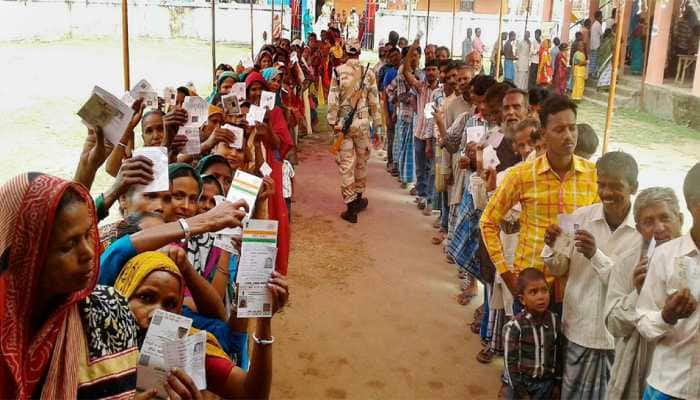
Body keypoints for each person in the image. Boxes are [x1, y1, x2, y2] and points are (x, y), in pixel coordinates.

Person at [0, 173, 212, 399]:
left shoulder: (108, 310)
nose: (89, 253)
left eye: (88, 235)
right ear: (25, 255)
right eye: (69, 245)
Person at [114, 251, 289, 399]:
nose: (157, 313)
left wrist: (264, 322)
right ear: (124, 292)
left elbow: (251, 394)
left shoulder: (185, 348)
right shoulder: (95, 341)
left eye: (170, 305)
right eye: (146, 298)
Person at [543, 151, 641, 400]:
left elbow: (629, 287)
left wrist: (595, 254)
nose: (606, 192)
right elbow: (558, 269)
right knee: (571, 394)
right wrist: (551, 245)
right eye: (601, 184)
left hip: (614, 339)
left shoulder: (641, 234)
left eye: (615, 186)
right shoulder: (580, 218)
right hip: (578, 329)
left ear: (634, 188)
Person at [480, 95, 598, 298]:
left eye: (572, 127)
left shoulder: (593, 174)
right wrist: (507, 274)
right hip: (531, 289)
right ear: (543, 134)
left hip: (575, 290)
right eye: (559, 130)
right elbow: (488, 222)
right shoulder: (522, 175)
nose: (568, 136)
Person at [605, 187, 684, 400]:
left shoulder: (692, 258)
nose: (659, 228)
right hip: (637, 371)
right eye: (648, 222)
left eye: (665, 218)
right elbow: (613, 325)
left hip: (681, 374)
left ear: (681, 219)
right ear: (638, 228)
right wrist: (637, 294)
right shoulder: (626, 263)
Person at [637, 162, 700, 400]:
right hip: (669, 387)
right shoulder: (666, 256)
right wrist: (667, 316)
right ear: (694, 205)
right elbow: (643, 321)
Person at [327, 39, 382, 223]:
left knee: (346, 166)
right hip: (363, 125)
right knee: (362, 163)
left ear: (345, 52)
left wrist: (332, 123)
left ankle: (351, 207)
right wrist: (378, 125)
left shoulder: (337, 72)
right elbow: (374, 101)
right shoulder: (369, 73)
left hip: (343, 126)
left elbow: (333, 101)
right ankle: (358, 198)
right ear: (359, 52)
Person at [503, 268, 563, 400]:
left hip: (546, 384)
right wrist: (521, 392)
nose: (541, 296)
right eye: (533, 292)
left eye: (544, 290)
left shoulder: (555, 320)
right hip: (522, 384)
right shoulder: (514, 327)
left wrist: (557, 383)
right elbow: (510, 364)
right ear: (522, 299)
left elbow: (558, 354)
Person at [403, 56, 440, 214]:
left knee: (432, 169)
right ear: (425, 71)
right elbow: (405, 71)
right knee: (420, 167)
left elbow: (432, 117)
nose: (431, 72)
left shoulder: (440, 92)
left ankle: (430, 199)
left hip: (432, 135)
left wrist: (430, 143)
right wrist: (414, 46)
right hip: (420, 132)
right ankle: (423, 195)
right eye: (428, 70)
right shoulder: (421, 87)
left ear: (438, 72)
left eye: (434, 69)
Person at [589, 11, 603, 78]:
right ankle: (593, 73)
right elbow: (601, 35)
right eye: (601, 16)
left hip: (593, 45)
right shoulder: (598, 24)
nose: (602, 17)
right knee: (595, 59)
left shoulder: (594, 24)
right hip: (596, 45)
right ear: (598, 17)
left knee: (593, 59)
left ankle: (591, 72)